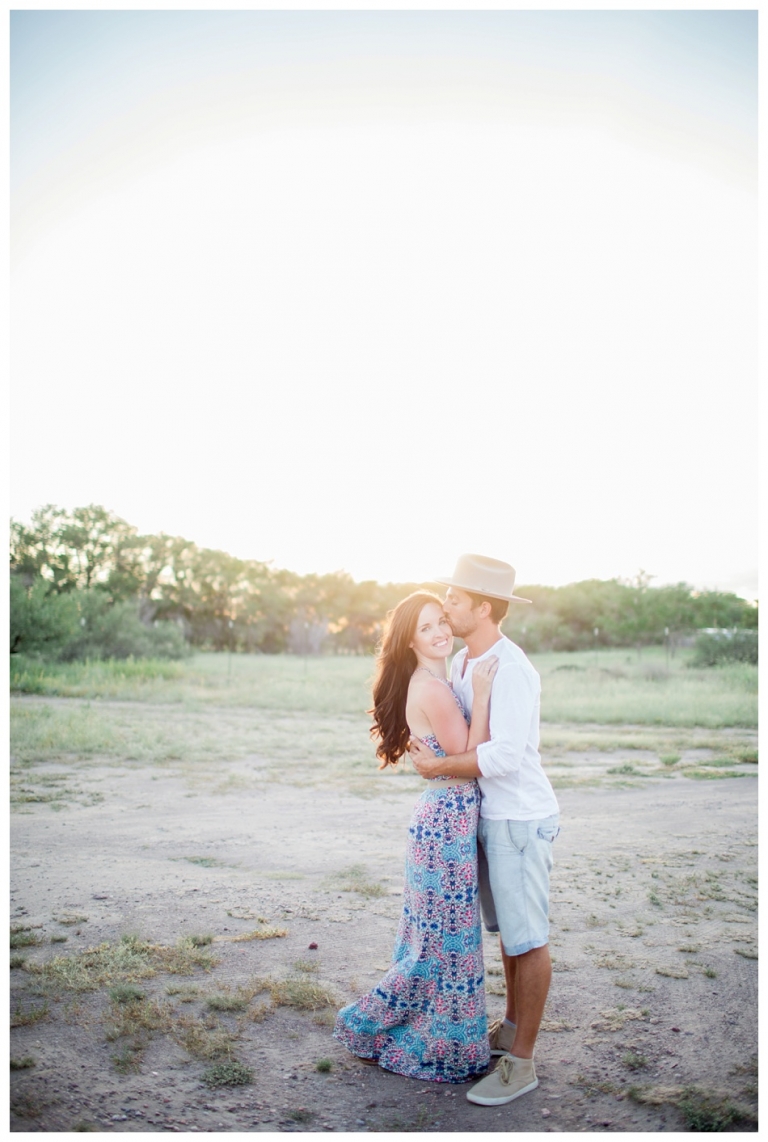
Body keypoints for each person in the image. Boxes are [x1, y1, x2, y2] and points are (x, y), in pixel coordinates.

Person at [408, 554, 560, 1107]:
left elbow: (504, 756)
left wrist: (437, 767)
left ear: (483, 608)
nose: (446, 607)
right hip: (490, 818)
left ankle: (521, 1065)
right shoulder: (468, 663)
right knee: (509, 939)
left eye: (454, 599)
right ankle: (511, 1029)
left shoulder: (511, 668)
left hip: (519, 817)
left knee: (528, 939)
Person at [333, 590, 499, 1083]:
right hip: (447, 817)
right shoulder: (432, 687)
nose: (440, 632)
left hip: (441, 815)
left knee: (435, 939)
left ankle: (435, 1033)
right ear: (410, 641)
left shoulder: (431, 681)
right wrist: (485, 697)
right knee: (444, 942)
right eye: (425, 627)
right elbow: (470, 753)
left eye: (442, 621)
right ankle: (386, 1028)